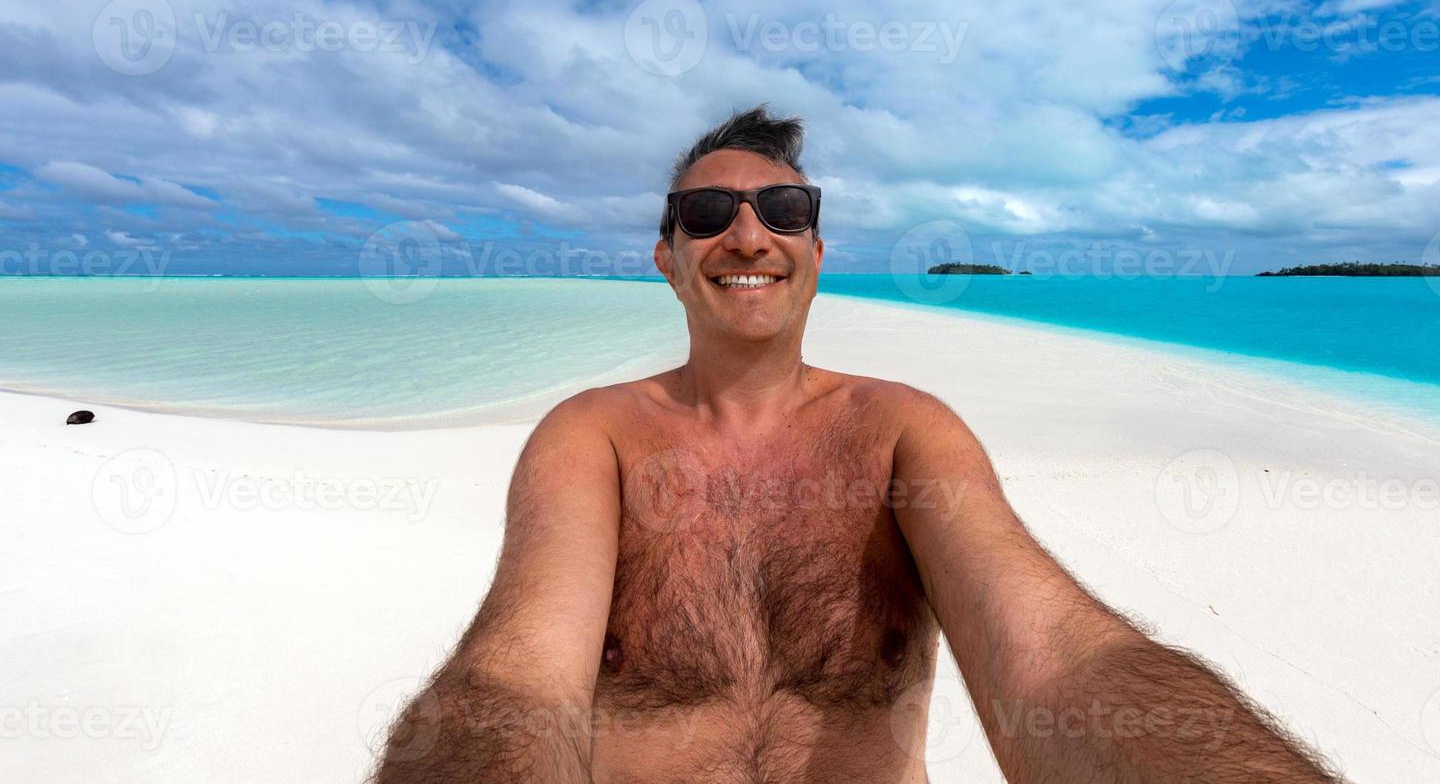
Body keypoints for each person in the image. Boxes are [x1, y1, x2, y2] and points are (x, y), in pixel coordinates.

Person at [373, 106, 1338, 782]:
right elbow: (516, 678)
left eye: (785, 212)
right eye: (709, 214)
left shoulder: (902, 432)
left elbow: (1053, 657)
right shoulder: (593, 437)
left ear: (817, 254)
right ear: (667, 260)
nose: (748, 236)